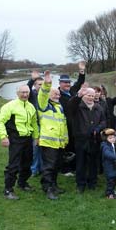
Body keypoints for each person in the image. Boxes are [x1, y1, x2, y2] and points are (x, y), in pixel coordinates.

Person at [0, 85, 39, 200]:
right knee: (13, 165)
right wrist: (3, 137)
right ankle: (8, 189)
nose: (25, 95)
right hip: (15, 138)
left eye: (27, 93)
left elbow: (34, 123)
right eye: (22, 92)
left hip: (28, 139)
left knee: (27, 163)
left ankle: (22, 183)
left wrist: (36, 137)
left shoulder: (31, 107)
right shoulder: (10, 106)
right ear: (17, 93)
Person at [68, 87, 107, 193]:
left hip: (94, 140)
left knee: (94, 163)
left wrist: (98, 128)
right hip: (81, 139)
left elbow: (104, 121)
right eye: (88, 95)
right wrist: (78, 95)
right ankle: (80, 184)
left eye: (92, 96)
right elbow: (70, 106)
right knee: (81, 162)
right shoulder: (77, 106)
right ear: (84, 96)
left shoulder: (98, 107)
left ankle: (92, 182)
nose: (90, 97)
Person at [37, 70, 68, 200]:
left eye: (58, 94)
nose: (57, 95)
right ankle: (48, 188)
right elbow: (42, 94)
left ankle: (54, 185)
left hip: (59, 143)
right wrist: (47, 83)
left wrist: (65, 139)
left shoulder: (59, 107)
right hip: (48, 143)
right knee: (49, 167)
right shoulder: (44, 105)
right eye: (55, 93)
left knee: (56, 166)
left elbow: (63, 125)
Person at [58, 62, 86, 176]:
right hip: (64, 125)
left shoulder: (72, 91)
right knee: (66, 147)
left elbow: (80, 82)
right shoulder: (57, 94)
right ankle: (65, 169)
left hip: (75, 124)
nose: (67, 84)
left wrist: (82, 71)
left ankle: (73, 167)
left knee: (74, 146)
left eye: (69, 82)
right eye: (65, 82)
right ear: (60, 83)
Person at [27, 70, 44, 176]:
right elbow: (26, 88)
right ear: (35, 85)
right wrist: (32, 79)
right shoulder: (32, 94)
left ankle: (42, 168)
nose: (41, 86)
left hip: (45, 125)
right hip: (35, 125)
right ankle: (33, 169)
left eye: (43, 84)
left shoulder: (46, 94)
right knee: (35, 148)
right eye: (39, 85)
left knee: (43, 148)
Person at [101, 128, 116, 199]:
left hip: (114, 166)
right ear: (106, 138)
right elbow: (107, 154)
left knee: (114, 180)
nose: (113, 139)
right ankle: (109, 194)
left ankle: (112, 191)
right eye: (110, 138)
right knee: (110, 181)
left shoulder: (114, 144)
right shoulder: (105, 145)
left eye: (114, 137)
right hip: (109, 167)